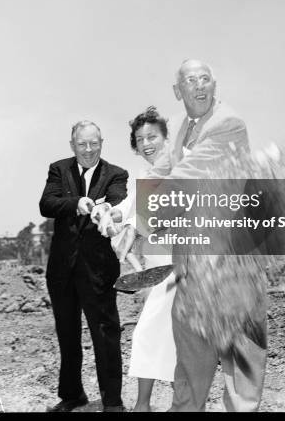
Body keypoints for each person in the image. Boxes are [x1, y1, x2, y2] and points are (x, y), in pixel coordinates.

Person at [145, 59, 268, 413]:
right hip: (195, 262)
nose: (199, 86)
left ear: (215, 85)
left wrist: (138, 219)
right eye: (190, 81)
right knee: (190, 347)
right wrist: (117, 211)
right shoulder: (184, 126)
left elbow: (184, 176)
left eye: (205, 80)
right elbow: (160, 171)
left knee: (240, 353)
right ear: (177, 91)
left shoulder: (227, 124)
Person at [39, 121, 129, 413]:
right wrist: (76, 203)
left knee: (105, 333)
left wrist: (106, 210)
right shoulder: (59, 169)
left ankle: (113, 401)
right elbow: (47, 204)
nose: (88, 150)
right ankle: (72, 395)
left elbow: (118, 203)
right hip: (61, 270)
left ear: (102, 142)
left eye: (94, 143)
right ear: (72, 145)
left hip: (99, 272)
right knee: (67, 333)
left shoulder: (116, 174)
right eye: (82, 144)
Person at [101, 107, 177, 412]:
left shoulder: (178, 169)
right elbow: (127, 208)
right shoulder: (144, 176)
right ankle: (178, 403)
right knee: (169, 336)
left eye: (152, 136)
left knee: (149, 332)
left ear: (165, 138)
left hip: (182, 263)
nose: (146, 143)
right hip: (157, 267)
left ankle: (144, 405)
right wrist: (108, 213)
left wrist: (131, 222)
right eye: (140, 138)